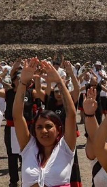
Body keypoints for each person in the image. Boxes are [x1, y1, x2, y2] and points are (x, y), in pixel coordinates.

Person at [15, 58, 77, 187]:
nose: (44, 131)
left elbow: (71, 115)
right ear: (34, 131)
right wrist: (23, 82)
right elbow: (17, 116)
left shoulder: (65, 148)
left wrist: (59, 81)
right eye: (39, 127)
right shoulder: (28, 147)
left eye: (49, 126)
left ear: (59, 129)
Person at [0, 59, 38, 187]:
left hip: (28, 127)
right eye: (18, 80)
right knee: (12, 156)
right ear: (14, 81)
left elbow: (47, 93)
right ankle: (13, 181)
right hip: (11, 128)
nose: (20, 82)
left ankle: (28, 180)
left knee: (27, 154)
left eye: (22, 80)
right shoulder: (8, 93)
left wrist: (38, 77)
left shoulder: (32, 93)